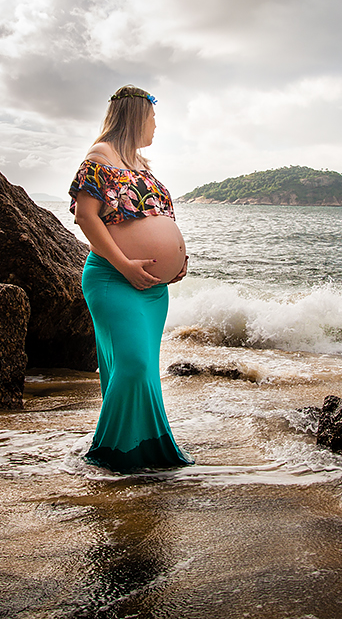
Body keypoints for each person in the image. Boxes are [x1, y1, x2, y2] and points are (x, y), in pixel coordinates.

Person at [69, 85, 194, 472]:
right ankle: (110, 454)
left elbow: (154, 217)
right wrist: (124, 264)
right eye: (153, 119)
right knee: (134, 366)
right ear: (137, 116)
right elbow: (86, 216)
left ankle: (144, 448)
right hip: (113, 278)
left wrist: (177, 259)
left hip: (152, 291)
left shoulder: (142, 165)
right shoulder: (100, 155)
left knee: (141, 370)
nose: (156, 127)